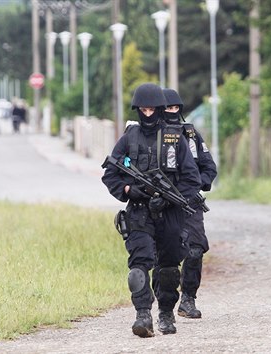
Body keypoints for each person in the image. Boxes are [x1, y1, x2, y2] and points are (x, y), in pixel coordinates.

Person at [102, 83, 201, 337]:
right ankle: (142, 315)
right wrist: (128, 191)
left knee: (168, 267)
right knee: (138, 264)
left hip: (169, 214)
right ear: (138, 110)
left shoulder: (175, 139)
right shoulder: (128, 139)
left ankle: (166, 314)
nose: (147, 115)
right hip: (138, 212)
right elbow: (111, 174)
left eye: (151, 110)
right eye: (143, 110)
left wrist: (168, 200)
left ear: (159, 110)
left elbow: (191, 180)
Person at [162, 88, 217, 319]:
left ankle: (188, 300)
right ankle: (164, 304)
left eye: (176, 108)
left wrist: (196, 186)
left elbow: (209, 167)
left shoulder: (191, 135)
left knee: (195, 249)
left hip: (190, 203)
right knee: (165, 255)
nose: (172, 112)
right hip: (162, 204)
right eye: (168, 108)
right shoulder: (151, 136)